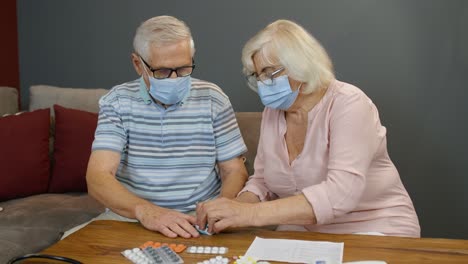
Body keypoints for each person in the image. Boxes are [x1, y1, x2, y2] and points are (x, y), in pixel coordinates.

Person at [196, 19, 420, 237]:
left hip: (375, 227)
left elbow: (340, 194)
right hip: (306, 231)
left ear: (300, 65)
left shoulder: (349, 103)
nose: (263, 83)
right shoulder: (273, 112)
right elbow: (263, 182)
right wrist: (232, 210)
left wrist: (249, 214)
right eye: (257, 76)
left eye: (269, 73)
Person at [84, 15, 248, 239]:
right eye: (161, 72)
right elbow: (98, 176)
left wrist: (220, 208)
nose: (174, 79)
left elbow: (234, 170)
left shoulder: (213, 99)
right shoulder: (116, 102)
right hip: (133, 216)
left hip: (199, 218)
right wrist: (147, 212)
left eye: (183, 69)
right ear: (137, 64)